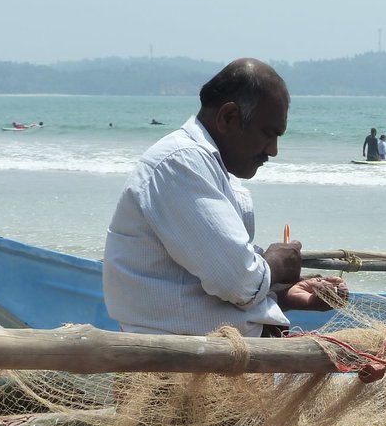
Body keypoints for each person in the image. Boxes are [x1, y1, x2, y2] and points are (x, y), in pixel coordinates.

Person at [103, 58, 346, 337]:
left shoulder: (207, 166)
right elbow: (238, 281)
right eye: (268, 134)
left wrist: (285, 295)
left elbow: (212, 288)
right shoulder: (182, 162)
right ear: (228, 118)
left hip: (211, 362)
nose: (273, 150)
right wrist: (276, 264)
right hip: (182, 369)